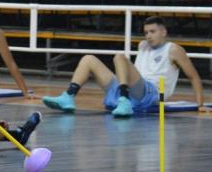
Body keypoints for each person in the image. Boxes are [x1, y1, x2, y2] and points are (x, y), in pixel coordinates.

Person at [42, 16, 211, 116]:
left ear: (163, 32)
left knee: (120, 57)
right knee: (88, 59)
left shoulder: (173, 49)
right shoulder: (142, 46)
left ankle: (123, 100)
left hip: (152, 93)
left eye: (152, 32)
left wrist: (200, 104)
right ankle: (68, 97)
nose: (148, 36)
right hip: (132, 89)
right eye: (146, 32)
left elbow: (194, 76)